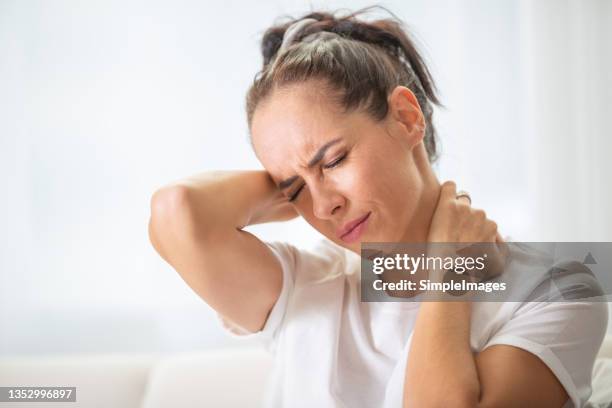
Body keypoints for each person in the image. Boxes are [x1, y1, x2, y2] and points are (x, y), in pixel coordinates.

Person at [148, 6, 608, 407]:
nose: (324, 206)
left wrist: (450, 271)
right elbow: (178, 212)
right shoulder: (305, 284)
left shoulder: (555, 291)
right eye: (293, 190)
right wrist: (302, 183)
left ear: (407, 118)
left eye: (334, 159)